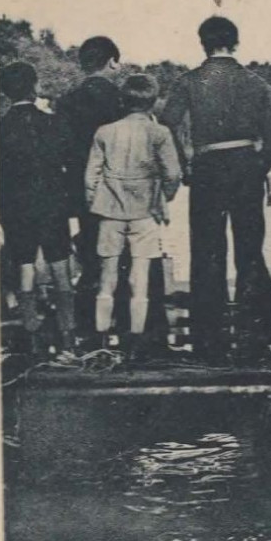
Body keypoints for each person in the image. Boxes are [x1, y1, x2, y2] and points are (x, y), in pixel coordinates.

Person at [158, 16, 271, 365]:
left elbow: (167, 125)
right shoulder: (255, 83)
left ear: (202, 44)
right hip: (246, 168)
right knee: (250, 251)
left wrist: (187, 166)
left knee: (207, 254)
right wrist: (256, 169)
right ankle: (255, 338)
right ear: (236, 42)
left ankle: (208, 342)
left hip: (208, 170)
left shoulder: (189, 81)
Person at [85, 73, 183, 358]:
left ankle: (102, 343)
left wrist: (98, 202)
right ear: (153, 102)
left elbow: (90, 176)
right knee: (139, 280)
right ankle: (135, 347)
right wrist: (163, 198)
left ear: (123, 101)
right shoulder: (159, 133)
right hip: (144, 212)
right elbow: (173, 174)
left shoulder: (104, 132)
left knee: (107, 278)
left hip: (109, 211)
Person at [0, 61, 77, 353]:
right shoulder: (54, 123)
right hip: (52, 203)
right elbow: (70, 163)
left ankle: (32, 335)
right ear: (35, 87)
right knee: (60, 268)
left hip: (15, 208)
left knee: (25, 266)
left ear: (5, 92)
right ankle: (69, 340)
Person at [58, 35, 127, 339]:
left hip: (82, 192)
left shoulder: (67, 102)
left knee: (89, 256)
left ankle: (90, 331)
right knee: (122, 259)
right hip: (121, 191)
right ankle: (126, 328)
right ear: (112, 62)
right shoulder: (123, 100)